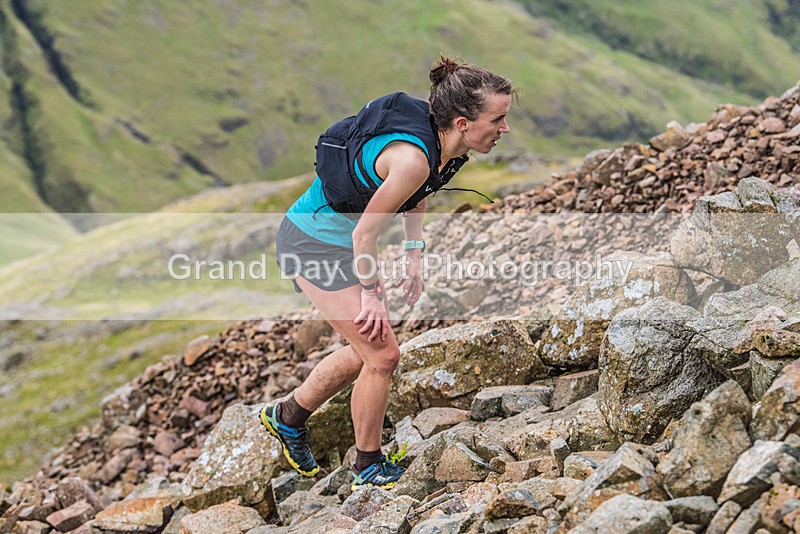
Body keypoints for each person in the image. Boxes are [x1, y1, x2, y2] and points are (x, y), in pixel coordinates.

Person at [260, 56, 514, 489]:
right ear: (463, 123)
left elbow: (419, 192)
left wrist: (413, 253)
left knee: (368, 348)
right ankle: (368, 465)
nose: (505, 128)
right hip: (312, 243)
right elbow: (365, 234)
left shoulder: (444, 146)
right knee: (383, 355)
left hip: (342, 241)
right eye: (498, 119)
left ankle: (288, 416)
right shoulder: (414, 158)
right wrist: (372, 295)